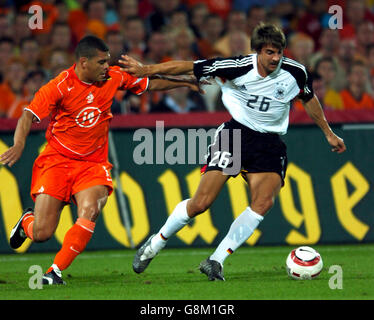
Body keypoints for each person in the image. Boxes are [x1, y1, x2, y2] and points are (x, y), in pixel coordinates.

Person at [119, 23, 346, 281]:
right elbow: (188, 67)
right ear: (258, 51)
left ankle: (216, 260)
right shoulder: (234, 66)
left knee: (263, 202)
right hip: (235, 136)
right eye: (270, 52)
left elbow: (309, 98)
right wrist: (145, 69)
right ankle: (155, 243)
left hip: (270, 143)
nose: (275, 58)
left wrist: (328, 132)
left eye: (279, 52)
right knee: (201, 203)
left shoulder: (296, 73)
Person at [0, 35, 201, 285]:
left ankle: (54, 272)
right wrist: (19, 144)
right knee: (41, 233)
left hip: (92, 164)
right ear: (83, 62)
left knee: (91, 210)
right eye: (102, 62)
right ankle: (26, 222)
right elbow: (28, 115)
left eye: (108, 61)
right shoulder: (60, 86)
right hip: (57, 161)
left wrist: (184, 83)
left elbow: (150, 83)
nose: (108, 66)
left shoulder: (112, 78)